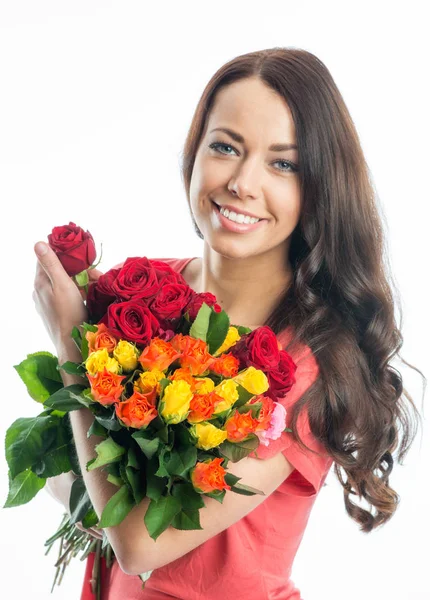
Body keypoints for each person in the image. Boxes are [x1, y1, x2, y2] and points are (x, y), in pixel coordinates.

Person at [33, 47, 423, 600]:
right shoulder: (136, 296)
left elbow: (140, 543)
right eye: (225, 147)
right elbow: (55, 470)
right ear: (194, 152)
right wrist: (98, 495)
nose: (242, 182)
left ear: (318, 187)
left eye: (282, 163)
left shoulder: (307, 363)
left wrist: (75, 349)